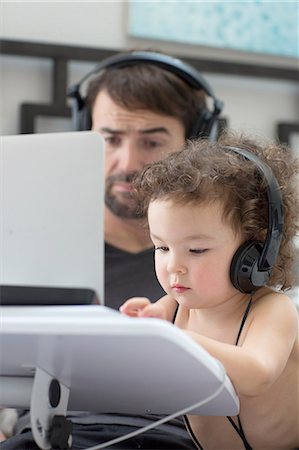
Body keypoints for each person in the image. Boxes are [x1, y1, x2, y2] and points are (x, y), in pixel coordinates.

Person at [1, 51, 222, 449]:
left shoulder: (237, 263)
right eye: (111, 139)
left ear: (195, 145)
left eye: (152, 141)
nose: (128, 162)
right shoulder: (26, 248)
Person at [120, 132, 299, 449]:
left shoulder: (272, 309)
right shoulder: (176, 305)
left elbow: (258, 373)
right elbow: (153, 332)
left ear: (255, 249)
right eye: (161, 247)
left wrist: (175, 337)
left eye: (197, 250)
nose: (174, 266)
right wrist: (142, 321)